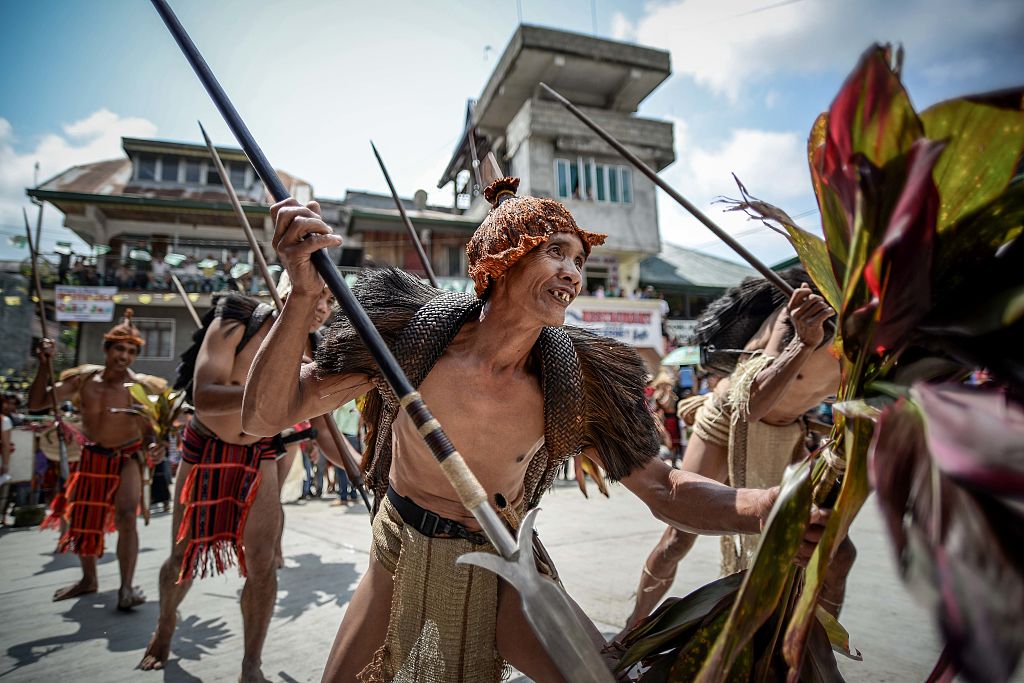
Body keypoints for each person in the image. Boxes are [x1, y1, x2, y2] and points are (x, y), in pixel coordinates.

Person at [243, 178, 828, 682]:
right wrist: (301, 295)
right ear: (505, 258)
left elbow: (664, 489)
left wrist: (764, 506)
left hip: (504, 560)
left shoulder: (574, 380)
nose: (573, 272)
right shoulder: (410, 338)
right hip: (400, 549)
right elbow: (265, 416)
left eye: (580, 259)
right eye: (557, 252)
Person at [618, 271, 856, 637]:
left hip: (788, 434)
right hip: (729, 420)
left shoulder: (875, 337)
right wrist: (803, 344)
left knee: (836, 552)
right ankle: (632, 628)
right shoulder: (801, 309)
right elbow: (754, 404)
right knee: (679, 535)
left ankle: (811, 646)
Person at [139, 280, 340, 681]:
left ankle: (252, 665)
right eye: (317, 293)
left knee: (263, 564)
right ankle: (164, 628)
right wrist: (267, 391)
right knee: (182, 557)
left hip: (259, 453)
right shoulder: (237, 320)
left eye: (331, 299)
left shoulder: (315, 351)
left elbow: (324, 430)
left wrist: (368, 472)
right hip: (207, 446)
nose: (323, 305)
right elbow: (206, 394)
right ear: (289, 287)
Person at [27, 310, 166, 610]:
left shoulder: (139, 389)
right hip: (92, 456)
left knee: (127, 516)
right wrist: (43, 365)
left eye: (131, 351)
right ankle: (89, 580)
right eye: (119, 348)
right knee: (82, 521)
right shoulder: (83, 381)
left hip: (127, 457)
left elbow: (150, 432)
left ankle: (126, 588)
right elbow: (37, 402)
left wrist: (156, 447)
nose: (124, 356)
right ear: (107, 349)